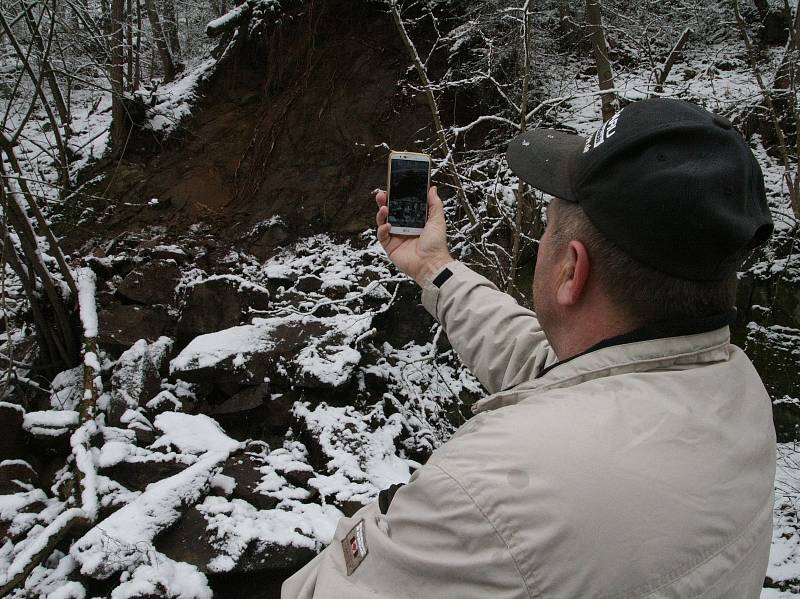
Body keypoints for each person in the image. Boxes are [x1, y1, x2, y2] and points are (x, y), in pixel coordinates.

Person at [282, 98, 777, 598]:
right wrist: (435, 267)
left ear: (570, 270)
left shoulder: (491, 491)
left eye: (546, 227)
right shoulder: (736, 391)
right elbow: (547, 368)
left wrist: (383, 519)